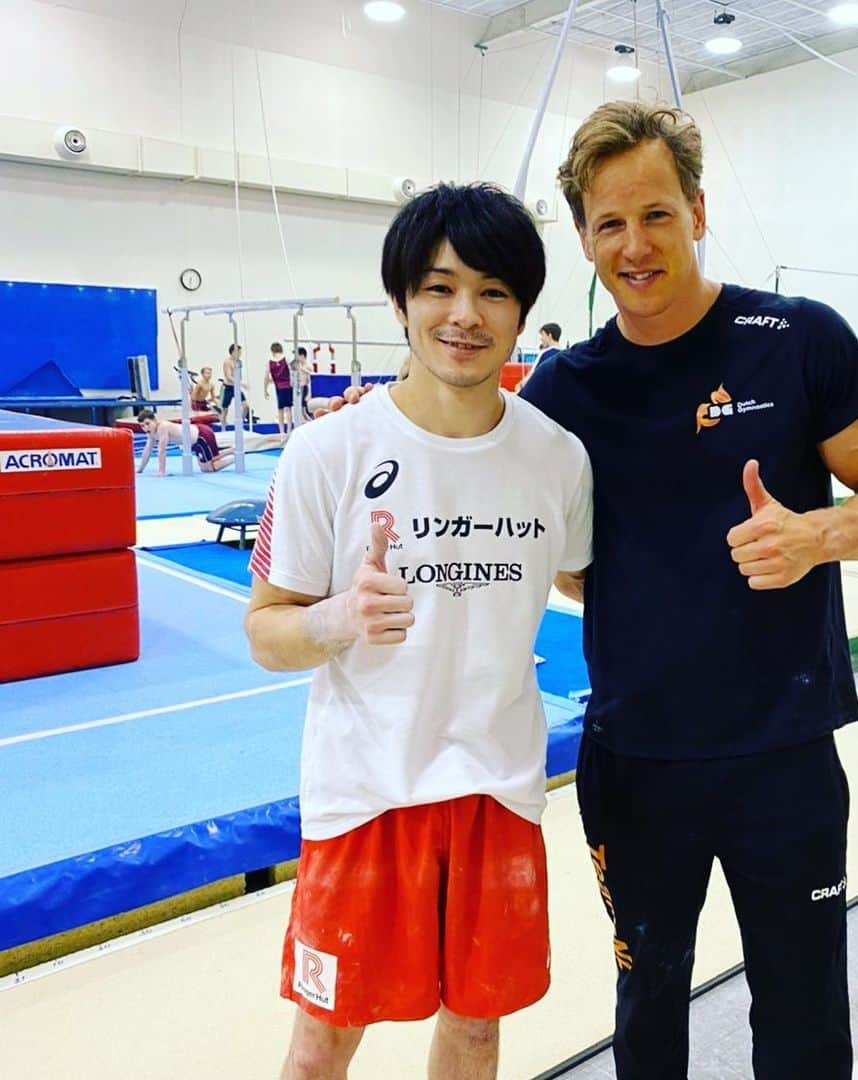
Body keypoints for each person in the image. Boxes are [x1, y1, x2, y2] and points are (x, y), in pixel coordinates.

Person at [517, 102, 858, 1079]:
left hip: (782, 754)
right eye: (609, 224)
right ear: (582, 237)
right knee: (647, 1004)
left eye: (656, 214)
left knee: (803, 1009)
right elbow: (535, 547)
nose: (636, 245)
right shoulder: (563, 390)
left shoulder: (795, 339)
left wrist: (816, 534)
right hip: (636, 761)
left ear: (698, 211)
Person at [243, 182, 593, 1080]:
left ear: (521, 312)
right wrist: (336, 618)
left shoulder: (557, 457)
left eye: (493, 292)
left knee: (477, 1031)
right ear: (401, 302)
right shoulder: (328, 454)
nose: (464, 314)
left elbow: (592, 581)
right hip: (366, 792)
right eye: (439, 287)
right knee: (324, 1039)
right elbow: (265, 633)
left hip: (496, 789)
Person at [136, 408, 235, 475]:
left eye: (147, 424)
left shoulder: (163, 427)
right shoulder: (151, 433)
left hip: (201, 436)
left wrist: (161, 471)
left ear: (155, 420)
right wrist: (140, 469)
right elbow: (147, 450)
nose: (145, 428)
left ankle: (236, 458)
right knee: (206, 467)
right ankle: (231, 450)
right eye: (142, 426)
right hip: (195, 442)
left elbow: (161, 450)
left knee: (209, 469)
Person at [265, 342, 294, 440]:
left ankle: (281, 432)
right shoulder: (286, 359)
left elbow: (266, 377)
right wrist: (293, 383)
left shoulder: (270, 362)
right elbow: (292, 372)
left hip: (278, 387)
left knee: (280, 409)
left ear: (272, 351)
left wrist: (265, 390)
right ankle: (289, 430)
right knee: (288, 408)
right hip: (287, 386)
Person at [221, 344, 248, 428]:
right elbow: (228, 377)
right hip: (228, 387)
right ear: (233, 352)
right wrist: (241, 384)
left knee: (246, 406)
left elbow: (239, 375)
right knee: (225, 408)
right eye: (238, 352)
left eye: (240, 352)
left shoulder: (239, 362)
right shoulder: (227, 361)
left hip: (236, 387)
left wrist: (240, 383)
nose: (240, 354)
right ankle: (223, 423)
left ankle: (241, 421)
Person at [295, 346, 314, 419]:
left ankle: (311, 420)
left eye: (298, 356)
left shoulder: (308, 365)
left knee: (305, 409)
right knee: (301, 409)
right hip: (300, 387)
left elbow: (312, 376)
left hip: (305, 387)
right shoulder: (299, 365)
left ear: (302, 355)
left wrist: (309, 394)